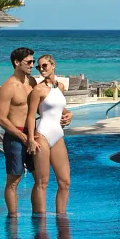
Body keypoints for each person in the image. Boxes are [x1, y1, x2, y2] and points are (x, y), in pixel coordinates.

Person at [0, 47, 39, 213]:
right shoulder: (8, 87)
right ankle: (12, 220)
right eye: (29, 62)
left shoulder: (32, 83)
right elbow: (1, 118)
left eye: (33, 62)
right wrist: (22, 137)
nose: (32, 65)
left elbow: (39, 108)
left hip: (32, 135)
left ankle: (37, 216)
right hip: (16, 137)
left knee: (39, 178)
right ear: (16, 62)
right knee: (13, 181)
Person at [31, 54, 74, 214]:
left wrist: (70, 114)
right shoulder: (38, 89)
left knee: (65, 182)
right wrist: (30, 139)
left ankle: (61, 219)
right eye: (39, 67)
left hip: (57, 134)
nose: (41, 69)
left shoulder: (60, 87)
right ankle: (40, 224)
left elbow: (57, 107)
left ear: (53, 65)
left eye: (44, 66)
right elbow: (30, 116)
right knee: (42, 182)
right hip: (42, 134)